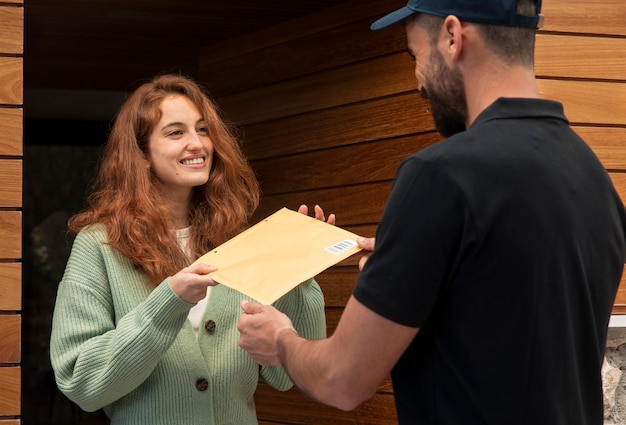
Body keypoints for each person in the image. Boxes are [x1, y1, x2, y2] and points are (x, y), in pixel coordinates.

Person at [237, 1, 626, 424]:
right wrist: (412, 261)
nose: (417, 81)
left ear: (453, 37)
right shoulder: (593, 176)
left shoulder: (440, 175)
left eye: (414, 55)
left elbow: (340, 380)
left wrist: (281, 340)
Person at [49, 73, 331, 425]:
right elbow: (82, 382)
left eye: (202, 129)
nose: (197, 144)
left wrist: (297, 272)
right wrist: (170, 302)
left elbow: (287, 376)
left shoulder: (240, 241)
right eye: (175, 132)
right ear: (142, 154)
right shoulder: (99, 245)